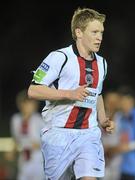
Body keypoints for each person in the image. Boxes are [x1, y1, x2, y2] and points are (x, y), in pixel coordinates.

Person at [28, 7, 114, 180]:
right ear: (79, 32)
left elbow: (97, 93)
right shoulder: (59, 57)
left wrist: (102, 119)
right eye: (95, 32)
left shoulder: (102, 63)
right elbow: (33, 90)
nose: (100, 38)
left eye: (101, 32)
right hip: (58, 134)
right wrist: (70, 94)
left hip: (88, 133)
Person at [10, 89, 45, 180]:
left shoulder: (39, 119)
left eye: (33, 104)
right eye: (28, 103)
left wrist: (38, 144)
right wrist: (12, 152)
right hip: (24, 160)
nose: (31, 106)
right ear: (21, 104)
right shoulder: (16, 120)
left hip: (38, 161)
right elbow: (16, 139)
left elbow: (46, 139)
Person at [101, 90, 122, 180]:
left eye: (114, 102)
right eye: (109, 101)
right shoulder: (99, 117)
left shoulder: (122, 118)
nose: (111, 104)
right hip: (102, 159)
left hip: (118, 160)